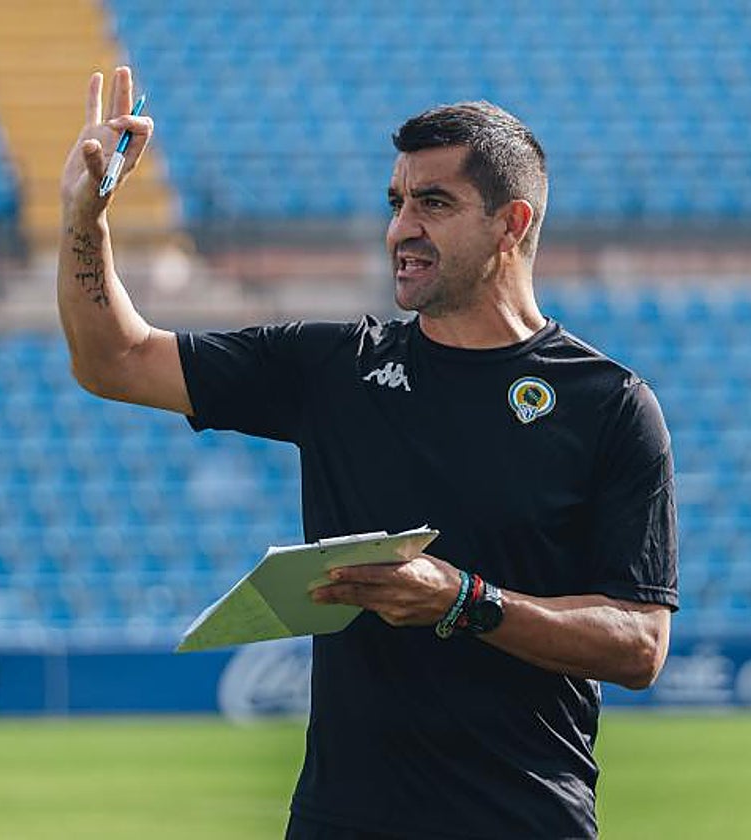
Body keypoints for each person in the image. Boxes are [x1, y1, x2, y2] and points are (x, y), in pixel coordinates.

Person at [59, 66, 678, 839]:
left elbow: (639, 644)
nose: (400, 229)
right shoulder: (334, 368)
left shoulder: (610, 404)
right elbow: (115, 360)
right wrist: (85, 216)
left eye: (433, 203)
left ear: (512, 223)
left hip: (524, 821)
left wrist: (464, 601)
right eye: (396, 203)